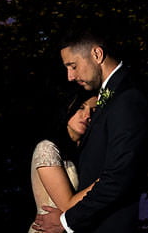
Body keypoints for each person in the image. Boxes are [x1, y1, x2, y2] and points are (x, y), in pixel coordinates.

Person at [33, 32, 148, 233]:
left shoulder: (126, 98)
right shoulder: (110, 96)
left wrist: (65, 221)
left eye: (73, 66)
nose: (70, 77)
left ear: (97, 54)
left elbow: (118, 178)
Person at [29, 97, 97, 231]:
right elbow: (67, 205)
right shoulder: (47, 149)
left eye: (93, 111)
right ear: (68, 108)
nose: (87, 115)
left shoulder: (84, 155)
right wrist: (108, 179)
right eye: (81, 107)